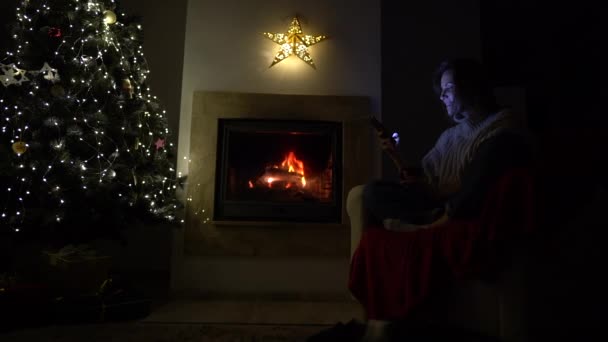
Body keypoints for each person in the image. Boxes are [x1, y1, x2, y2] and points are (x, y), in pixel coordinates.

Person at [353, 58, 532, 234]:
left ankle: (434, 223)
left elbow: (476, 182)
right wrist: (395, 155)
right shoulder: (449, 137)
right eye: (441, 89)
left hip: (464, 204)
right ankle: (428, 218)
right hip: (435, 203)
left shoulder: (502, 125)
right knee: (373, 192)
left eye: (448, 88)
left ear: (470, 88)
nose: (441, 96)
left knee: (490, 156)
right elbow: (422, 182)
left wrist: (446, 196)